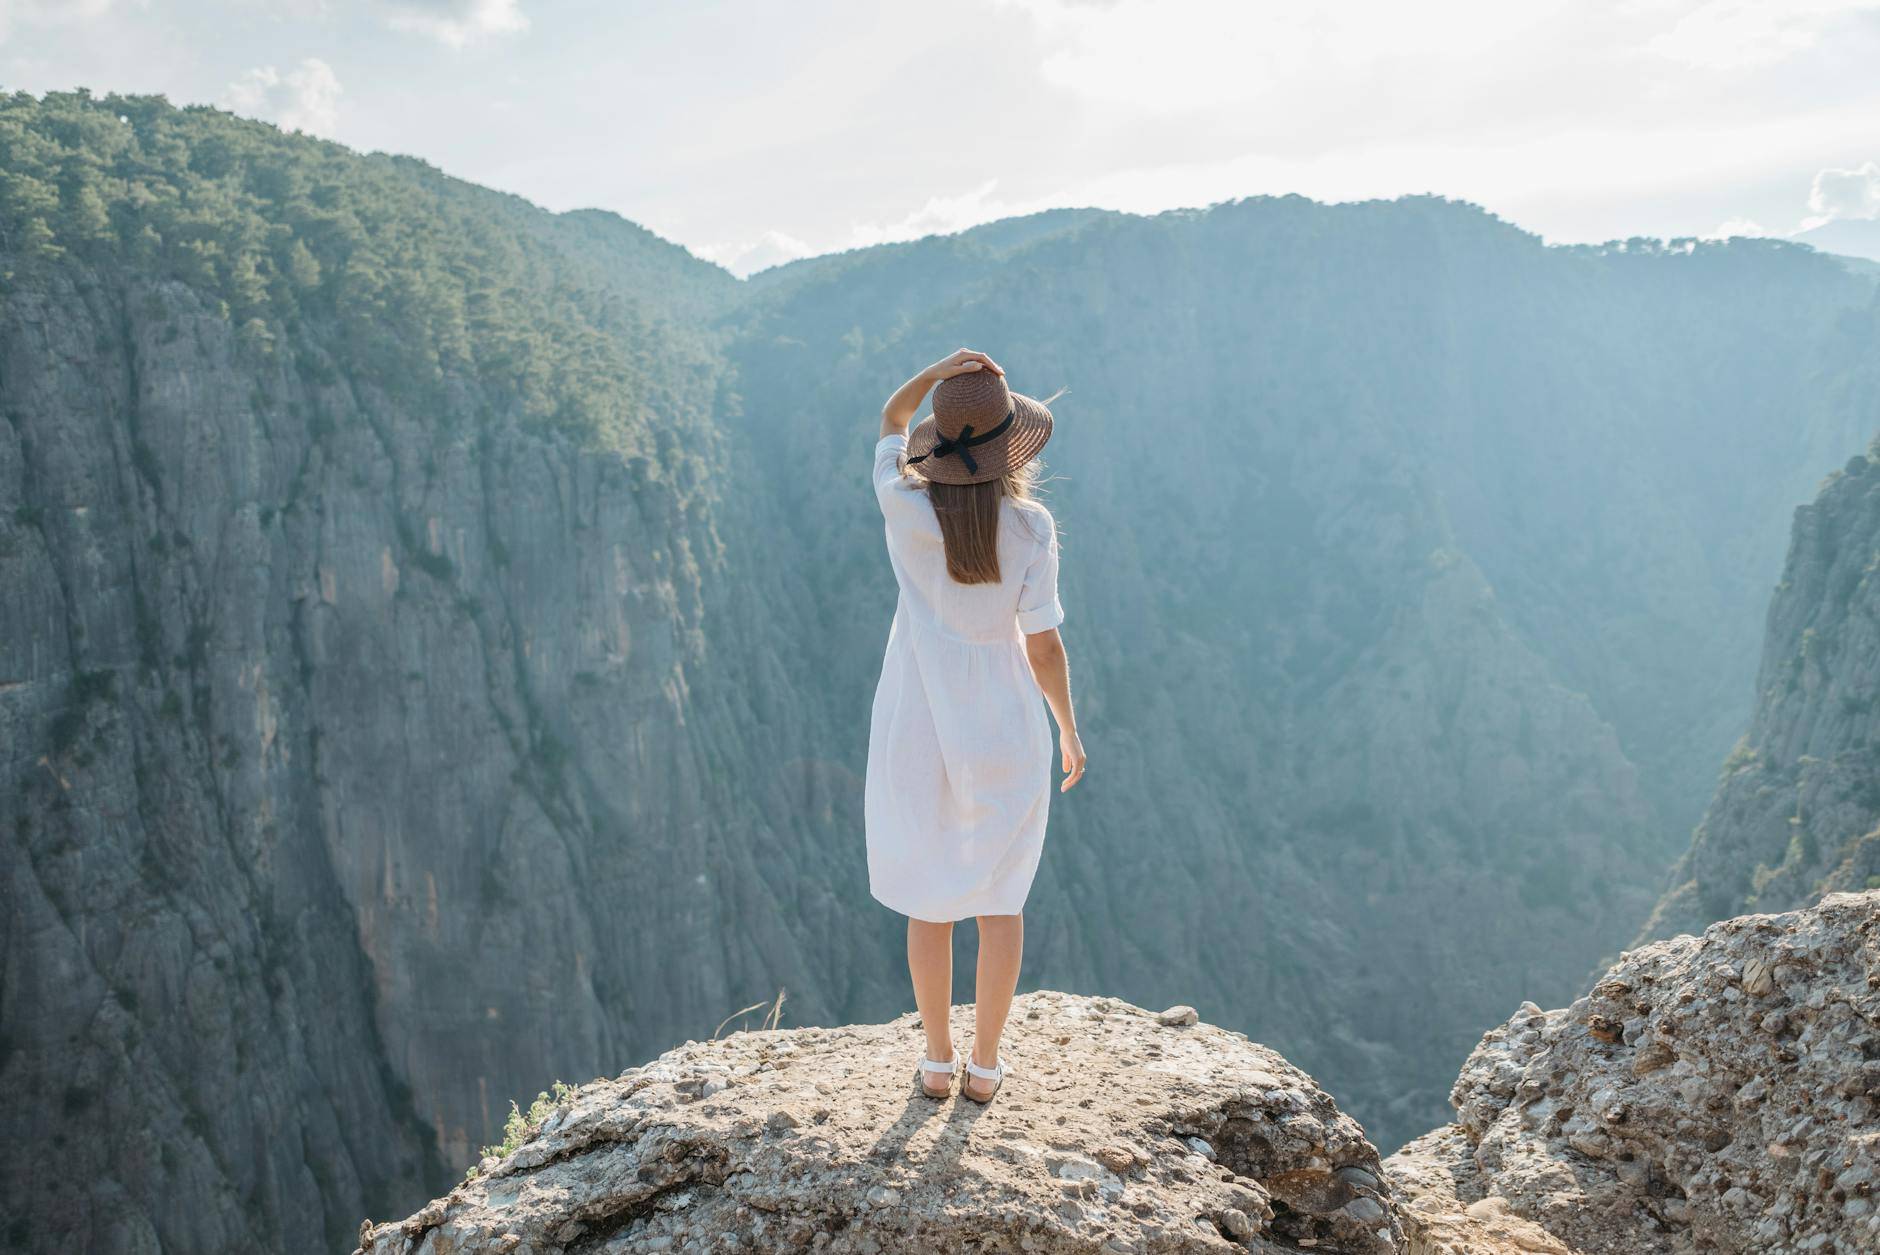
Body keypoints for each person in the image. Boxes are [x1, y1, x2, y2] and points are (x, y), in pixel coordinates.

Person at [865, 347, 1087, 1103]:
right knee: (1001, 899)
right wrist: (1068, 725)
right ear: (1007, 448)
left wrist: (932, 374)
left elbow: (891, 420)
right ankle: (985, 1066)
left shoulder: (903, 503)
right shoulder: (1030, 526)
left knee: (931, 899)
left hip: (916, 722)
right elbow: (1045, 643)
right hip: (1003, 723)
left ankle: (935, 1059)